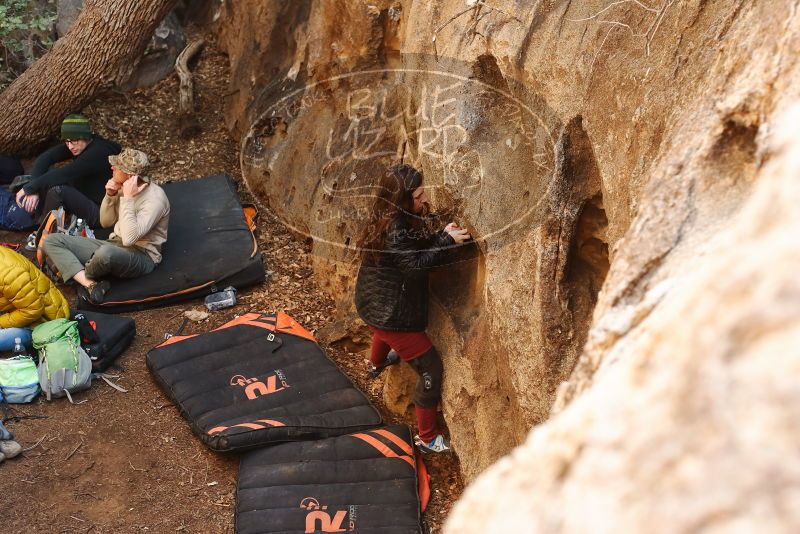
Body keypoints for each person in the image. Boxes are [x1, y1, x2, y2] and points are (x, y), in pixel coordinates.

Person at [354, 164, 471, 454]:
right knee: (430, 367)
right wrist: (445, 241)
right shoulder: (395, 229)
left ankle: (376, 364)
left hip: (372, 303)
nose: (424, 199)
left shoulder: (388, 217)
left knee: (380, 331)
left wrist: (441, 234)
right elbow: (415, 268)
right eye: (418, 196)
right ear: (403, 200)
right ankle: (428, 438)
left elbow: (411, 249)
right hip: (391, 315)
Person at [42, 148, 170, 305]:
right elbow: (106, 222)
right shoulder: (123, 186)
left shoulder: (155, 200)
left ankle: (69, 272)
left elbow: (130, 239)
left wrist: (127, 199)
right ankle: (90, 284)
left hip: (143, 255)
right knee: (52, 241)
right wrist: (110, 196)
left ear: (130, 176)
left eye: (117, 166)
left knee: (105, 253)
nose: (112, 167)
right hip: (114, 243)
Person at [15, 114, 121, 230]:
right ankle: (39, 222)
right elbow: (45, 158)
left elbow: (65, 173)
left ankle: (44, 231)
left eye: (74, 141)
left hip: (101, 214)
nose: (70, 146)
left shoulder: (97, 152)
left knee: (58, 190)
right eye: (67, 141)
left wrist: (29, 188)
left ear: (85, 136)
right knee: (49, 176)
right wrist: (33, 191)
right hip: (86, 197)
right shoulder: (81, 144)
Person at [0, 245, 70, 351]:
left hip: (42, 323)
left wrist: (1, 323)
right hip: (14, 309)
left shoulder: (10, 274)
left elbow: (32, 311)